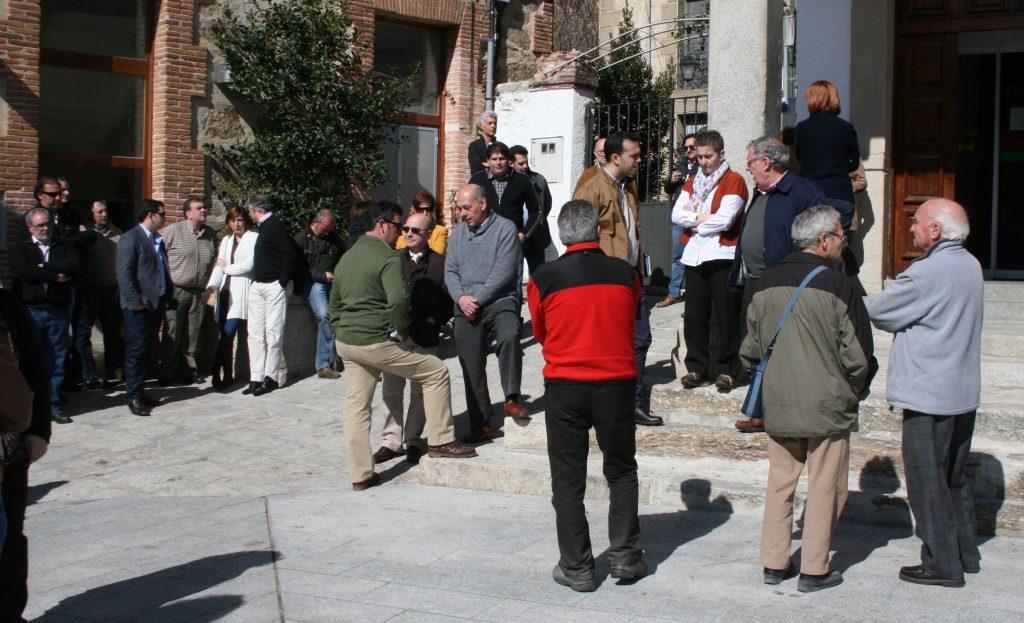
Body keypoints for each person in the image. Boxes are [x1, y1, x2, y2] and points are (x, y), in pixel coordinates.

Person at [740, 205, 876, 593]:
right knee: (826, 486)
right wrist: (855, 390)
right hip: (828, 403)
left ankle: (773, 562)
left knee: (780, 483)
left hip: (779, 401)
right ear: (824, 240)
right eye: (841, 235)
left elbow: (750, 349)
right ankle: (815, 568)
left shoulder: (764, 282)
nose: (844, 241)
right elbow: (858, 356)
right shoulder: (841, 285)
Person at [528, 199, 648, 593]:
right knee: (621, 470)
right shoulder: (626, 273)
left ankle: (577, 566)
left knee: (567, 478)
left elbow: (541, 331)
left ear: (562, 235)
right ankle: (626, 555)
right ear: (597, 231)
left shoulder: (544, 277)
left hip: (565, 385)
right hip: (616, 383)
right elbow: (630, 316)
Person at [866, 198, 982, 588]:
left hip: (928, 393)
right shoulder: (970, 264)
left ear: (935, 230)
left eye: (916, 221)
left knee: (926, 479)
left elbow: (880, 310)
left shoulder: (926, 272)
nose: (911, 227)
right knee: (952, 477)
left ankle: (942, 564)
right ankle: (964, 554)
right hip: (961, 391)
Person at [330, 201, 475, 490]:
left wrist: (341, 327)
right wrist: (401, 333)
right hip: (375, 340)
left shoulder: (348, 255)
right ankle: (441, 440)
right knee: (436, 372)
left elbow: (335, 301)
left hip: (347, 341)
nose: (400, 233)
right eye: (398, 226)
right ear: (382, 224)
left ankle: (361, 474)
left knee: (356, 407)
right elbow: (397, 300)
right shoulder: (388, 257)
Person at [732, 136, 826, 433]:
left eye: (750, 162)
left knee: (781, 350)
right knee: (757, 346)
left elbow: (816, 241)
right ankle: (759, 409)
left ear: (766, 162)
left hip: (786, 286)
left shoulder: (803, 192)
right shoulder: (761, 193)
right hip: (756, 282)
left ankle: (775, 412)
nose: (747, 167)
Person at [572, 131, 662, 427]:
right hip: (605, 281)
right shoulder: (591, 188)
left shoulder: (629, 186)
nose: (639, 160)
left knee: (640, 339)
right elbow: (579, 238)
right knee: (605, 345)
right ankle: (601, 406)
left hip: (632, 277)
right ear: (615, 157)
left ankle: (632, 404)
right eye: (633, 155)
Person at [444, 184, 528, 443]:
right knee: (470, 359)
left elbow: (504, 271)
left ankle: (511, 398)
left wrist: (477, 299)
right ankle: (480, 423)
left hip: (499, 299)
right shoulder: (458, 234)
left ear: (482, 204)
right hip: (466, 304)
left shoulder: (505, 229)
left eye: (466, 208)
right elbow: (450, 271)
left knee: (510, 334)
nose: (462, 213)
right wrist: (461, 298)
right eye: (460, 208)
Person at [672, 130, 749, 392]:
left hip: (721, 254)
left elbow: (725, 220)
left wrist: (694, 221)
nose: (703, 162)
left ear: (721, 154)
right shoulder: (693, 182)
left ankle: (728, 369)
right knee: (695, 314)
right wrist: (702, 219)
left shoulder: (734, 180)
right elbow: (676, 215)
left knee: (725, 315)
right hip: (695, 255)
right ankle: (697, 367)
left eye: (708, 156)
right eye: (700, 157)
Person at [375, 210, 454, 465]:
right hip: (394, 338)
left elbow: (448, 301)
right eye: (406, 229)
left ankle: (412, 440)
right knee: (391, 389)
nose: (408, 234)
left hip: (424, 337)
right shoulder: (393, 259)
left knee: (420, 393)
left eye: (415, 230)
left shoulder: (440, 264)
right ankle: (390, 441)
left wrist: (434, 322)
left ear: (429, 234)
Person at [0, 288, 51, 623]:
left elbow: (34, 365)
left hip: (8, 449)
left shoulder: (4, 304)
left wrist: (38, 430)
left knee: (9, 538)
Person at [9, 208, 78, 424]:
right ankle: (30, 406)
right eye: (40, 225)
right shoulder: (20, 248)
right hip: (31, 312)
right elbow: (24, 272)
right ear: (30, 227)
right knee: (29, 360)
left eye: (47, 223)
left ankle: (53, 405)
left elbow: (73, 265)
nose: (45, 228)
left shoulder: (63, 245)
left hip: (57, 311)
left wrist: (45, 267)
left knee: (56, 360)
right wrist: (55, 276)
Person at [116, 200, 175, 417]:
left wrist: (166, 295)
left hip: (155, 304)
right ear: (150, 215)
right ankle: (133, 396)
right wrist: (135, 301)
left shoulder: (157, 238)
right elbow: (124, 274)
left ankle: (140, 391)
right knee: (136, 350)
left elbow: (160, 269)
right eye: (162, 214)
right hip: (138, 307)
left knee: (147, 350)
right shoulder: (131, 238)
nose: (164, 218)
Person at [159, 196, 218, 385]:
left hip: (199, 291)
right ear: (188, 213)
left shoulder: (210, 234)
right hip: (177, 290)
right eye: (199, 208)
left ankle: (189, 371)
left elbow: (214, 260)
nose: (203, 210)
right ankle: (167, 371)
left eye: (204, 207)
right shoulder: (173, 231)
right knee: (173, 332)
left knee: (193, 333)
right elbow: (159, 256)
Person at [244, 194, 296, 397]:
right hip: (259, 285)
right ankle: (256, 377)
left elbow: (289, 253)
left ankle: (271, 377)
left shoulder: (274, 225)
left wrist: (281, 282)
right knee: (255, 333)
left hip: (273, 285)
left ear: (255, 210)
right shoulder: (265, 226)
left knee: (273, 333)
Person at [795, 80, 860, 233]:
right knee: (838, 242)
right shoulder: (846, 127)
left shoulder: (802, 128)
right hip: (840, 193)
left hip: (810, 193)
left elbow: (799, 158)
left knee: (811, 241)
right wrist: (840, 167)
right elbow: (855, 163)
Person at [204, 206, 258, 391]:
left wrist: (227, 268)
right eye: (233, 220)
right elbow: (218, 266)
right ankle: (226, 376)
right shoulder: (227, 240)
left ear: (246, 221)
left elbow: (249, 265)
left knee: (228, 333)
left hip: (240, 292)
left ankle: (214, 369)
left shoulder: (253, 238)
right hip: (225, 293)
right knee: (225, 335)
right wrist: (210, 287)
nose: (237, 224)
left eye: (240, 220)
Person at [72, 200, 125, 389]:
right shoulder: (85, 234)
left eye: (106, 211)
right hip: (90, 287)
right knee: (83, 332)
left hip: (111, 288)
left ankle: (113, 369)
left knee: (113, 332)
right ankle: (89, 374)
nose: (104, 214)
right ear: (92, 214)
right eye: (100, 211)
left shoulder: (117, 233)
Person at [295, 208, 345, 379]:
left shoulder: (334, 239)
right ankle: (326, 362)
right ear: (314, 223)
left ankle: (334, 359)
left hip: (333, 283)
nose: (327, 233)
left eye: (330, 229)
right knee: (324, 316)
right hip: (313, 283)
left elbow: (344, 258)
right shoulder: (302, 238)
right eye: (325, 229)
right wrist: (322, 276)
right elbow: (299, 267)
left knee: (337, 317)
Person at [658, 133, 700, 308]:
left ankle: (694, 292)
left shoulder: (703, 166)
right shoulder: (680, 166)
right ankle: (674, 293)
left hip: (696, 218)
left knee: (696, 256)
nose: (688, 150)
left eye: (691, 147)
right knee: (678, 256)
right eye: (685, 148)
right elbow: (668, 190)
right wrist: (671, 181)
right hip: (680, 219)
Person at [510, 144, 553, 275]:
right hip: (515, 236)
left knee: (538, 275)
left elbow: (546, 205)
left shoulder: (539, 180)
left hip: (536, 235)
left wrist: (535, 222)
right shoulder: (506, 182)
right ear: (511, 163)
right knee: (514, 276)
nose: (525, 166)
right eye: (521, 163)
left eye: (526, 162)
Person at [396, 191, 449, 255]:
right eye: (420, 209)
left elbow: (438, 253)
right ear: (414, 210)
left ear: (432, 210)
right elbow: (400, 250)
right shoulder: (406, 228)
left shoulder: (440, 231)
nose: (425, 213)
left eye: (428, 209)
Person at [467, 111, 498, 176]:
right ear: (482, 126)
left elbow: (504, 168)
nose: (493, 126)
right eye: (490, 123)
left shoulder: (500, 146)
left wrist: (487, 164)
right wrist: (495, 166)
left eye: (495, 123)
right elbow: (477, 169)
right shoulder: (474, 146)